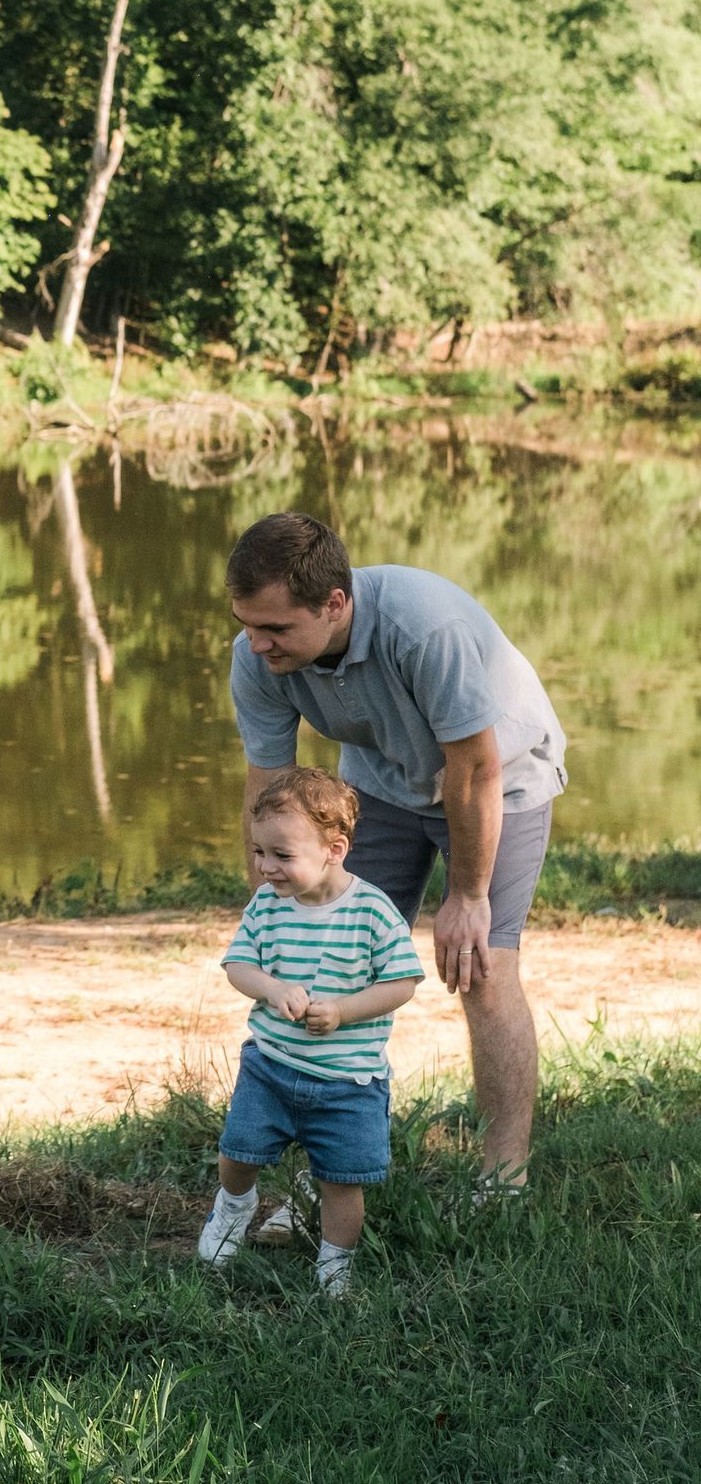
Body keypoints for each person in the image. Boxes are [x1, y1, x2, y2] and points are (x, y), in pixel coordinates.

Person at [225, 510, 566, 1193]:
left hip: (501, 779)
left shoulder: (423, 626)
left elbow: (475, 770)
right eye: (247, 624)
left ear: (335, 603)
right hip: (379, 784)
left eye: (276, 628)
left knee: (483, 967)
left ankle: (504, 1175)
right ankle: (325, 1171)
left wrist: (466, 896)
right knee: (326, 955)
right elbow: (268, 784)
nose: (256, 644)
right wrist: (270, 891)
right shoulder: (257, 657)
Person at [197, 766, 423, 1295]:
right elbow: (239, 967)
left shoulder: (371, 911)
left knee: (343, 1181)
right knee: (238, 1152)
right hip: (272, 1065)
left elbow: (403, 982)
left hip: (348, 1082)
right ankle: (233, 1207)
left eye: (282, 855)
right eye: (259, 852)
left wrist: (345, 1010)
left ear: (334, 849)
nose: (266, 867)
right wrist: (272, 989)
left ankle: (335, 1263)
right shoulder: (267, 906)